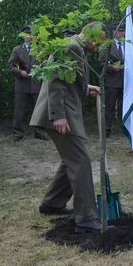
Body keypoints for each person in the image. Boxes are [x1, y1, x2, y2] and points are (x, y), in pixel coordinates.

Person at [30, 22, 108, 233]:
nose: (99, 48)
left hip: (65, 111)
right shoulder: (70, 47)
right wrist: (58, 117)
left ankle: (52, 204)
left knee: (70, 160)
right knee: (80, 161)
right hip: (59, 114)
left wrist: (87, 88)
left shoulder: (76, 47)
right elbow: (55, 81)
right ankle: (86, 218)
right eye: (98, 43)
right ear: (92, 36)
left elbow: (69, 78)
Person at [7, 26, 47, 141]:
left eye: (31, 34)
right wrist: (20, 72)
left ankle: (39, 132)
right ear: (23, 36)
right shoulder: (17, 49)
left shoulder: (40, 49)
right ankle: (17, 133)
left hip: (36, 84)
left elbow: (45, 66)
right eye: (26, 34)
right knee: (19, 111)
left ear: (34, 37)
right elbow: (10, 66)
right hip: (22, 84)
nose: (28, 37)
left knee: (38, 110)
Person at [100, 23, 125, 138]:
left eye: (123, 31)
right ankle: (107, 129)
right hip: (112, 81)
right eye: (119, 31)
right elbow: (101, 63)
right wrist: (111, 68)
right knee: (109, 107)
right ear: (114, 31)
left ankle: (124, 128)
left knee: (123, 106)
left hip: (125, 80)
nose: (122, 33)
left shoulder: (128, 45)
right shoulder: (108, 45)